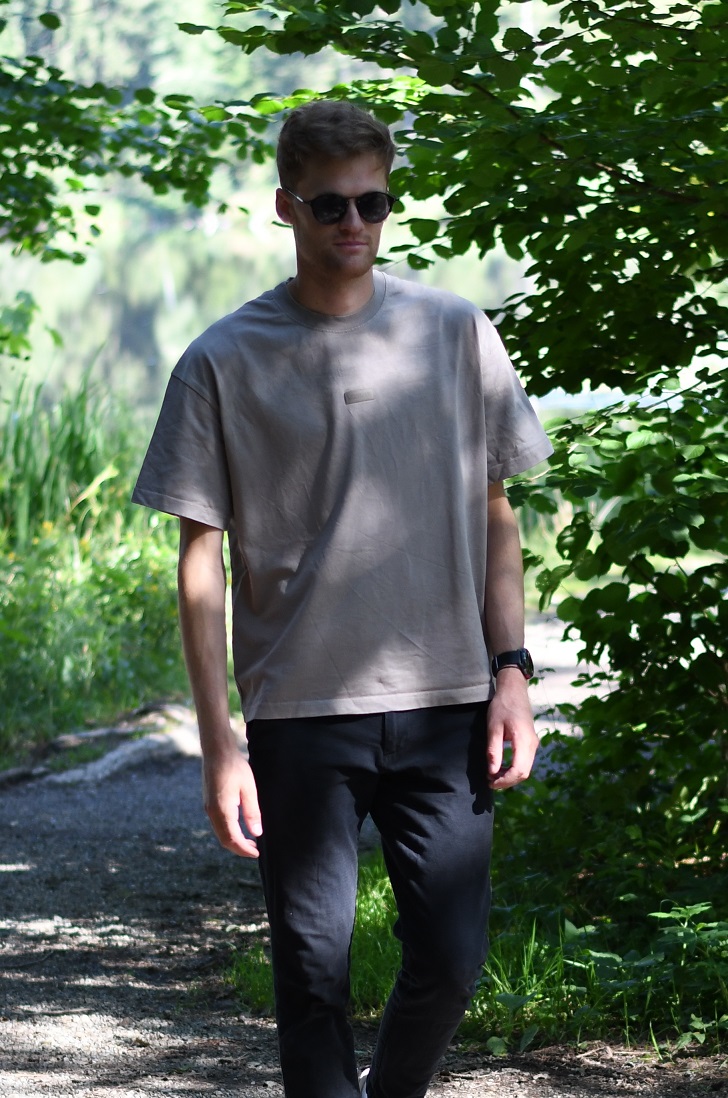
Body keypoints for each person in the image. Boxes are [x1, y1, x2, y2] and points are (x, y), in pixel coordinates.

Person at [132, 99, 553, 1098]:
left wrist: (510, 674)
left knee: (451, 958)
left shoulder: (453, 332)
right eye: (329, 205)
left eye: (372, 202)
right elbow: (200, 560)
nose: (353, 223)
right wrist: (219, 740)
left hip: (446, 702)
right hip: (299, 714)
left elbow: (495, 514)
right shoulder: (223, 359)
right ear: (287, 205)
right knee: (312, 971)